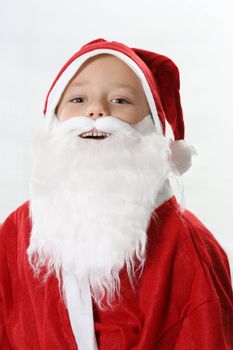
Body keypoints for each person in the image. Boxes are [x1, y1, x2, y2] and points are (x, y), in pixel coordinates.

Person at [0, 38, 232, 350]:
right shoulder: (17, 231)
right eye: (78, 99)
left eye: (121, 101)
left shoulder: (186, 246)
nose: (97, 111)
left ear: (150, 126)